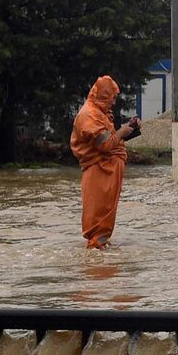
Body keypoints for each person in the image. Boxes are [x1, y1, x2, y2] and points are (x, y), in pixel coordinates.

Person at [69, 75, 139, 249]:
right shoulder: (90, 115)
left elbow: (109, 138)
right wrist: (122, 132)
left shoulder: (99, 113)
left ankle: (100, 247)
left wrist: (129, 129)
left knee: (106, 211)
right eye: (113, 97)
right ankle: (96, 251)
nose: (114, 102)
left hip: (107, 169)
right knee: (99, 211)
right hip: (99, 169)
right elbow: (105, 144)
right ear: (104, 95)